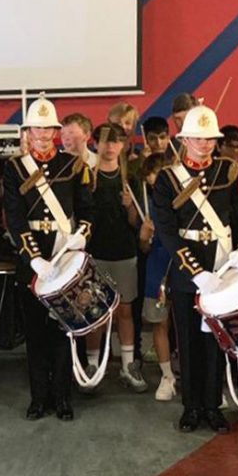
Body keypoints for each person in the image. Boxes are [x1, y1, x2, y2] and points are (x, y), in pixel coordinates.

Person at [152, 103, 238, 434]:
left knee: (216, 340)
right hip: (188, 270)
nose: (204, 144)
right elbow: (167, 230)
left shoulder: (230, 172)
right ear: (184, 140)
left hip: (223, 266)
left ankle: (212, 405)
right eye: (198, 138)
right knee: (187, 340)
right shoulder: (168, 179)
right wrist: (195, 271)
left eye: (210, 138)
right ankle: (191, 406)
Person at [3, 93, 93, 421]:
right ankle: (39, 397)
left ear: (56, 132)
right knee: (36, 332)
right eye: (36, 129)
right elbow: (14, 217)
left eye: (47, 129)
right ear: (28, 132)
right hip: (32, 260)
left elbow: (86, 210)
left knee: (63, 329)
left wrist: (83, 234)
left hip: (64, 255)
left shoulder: (73, 165)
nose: (42, 135)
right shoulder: (15, 168)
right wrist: (33, 258)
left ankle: (63, 397)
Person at [86, 122, 145, 392]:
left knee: (125, 310)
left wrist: (130, 206)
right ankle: (92, 364)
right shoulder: (87, 177)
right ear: (95, 143)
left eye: (116, 141)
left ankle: (128, 365)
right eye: (105, 141)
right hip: (94, 253)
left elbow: (136, 222)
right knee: (95, 311)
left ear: (123, 145)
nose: (110, 146)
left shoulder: (130, 179)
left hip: (124, 253)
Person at [137, 153, 178, 400]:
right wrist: (144, 236)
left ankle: (195, 376)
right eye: (151, 176)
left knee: (188, 325)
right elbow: (144, 248)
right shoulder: (148, 205)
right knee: (159, 322)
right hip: (157, 270)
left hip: (184, 269)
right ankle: (166, 376)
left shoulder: (185, 201)